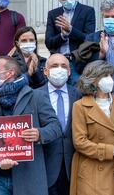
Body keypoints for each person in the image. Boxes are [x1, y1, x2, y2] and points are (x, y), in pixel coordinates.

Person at [0, 56, 61, 195]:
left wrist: (39, 134)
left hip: (28, 174)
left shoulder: (36, 96)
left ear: (10, 73)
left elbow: (55, 127)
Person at [70, 60, 114, 195]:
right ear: (93, 80)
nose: (109, 79)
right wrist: (109, 151)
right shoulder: (80, 105)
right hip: (91, 170)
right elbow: (79, 142)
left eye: (110, 75)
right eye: (104, 76)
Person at [38, 54, 81, 195]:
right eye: (54, 66)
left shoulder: (79, 95)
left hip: (74, 165)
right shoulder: (34, 95)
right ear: (45, 71)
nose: (59, 69)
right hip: (46, 164)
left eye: (64, 66)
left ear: (69, 72)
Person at [45, 0, 96, 85]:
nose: (67, 0)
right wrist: (62, 35)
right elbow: (48, 42)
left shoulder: (87, 11)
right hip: (58, 62)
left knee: (78, 94)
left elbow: (89, 39)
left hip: (78, 62)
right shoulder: (53, 14)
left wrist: (71, 30)